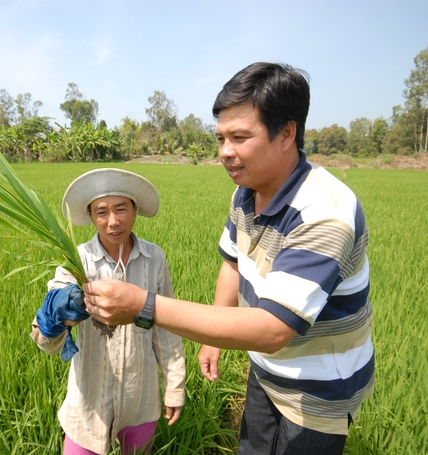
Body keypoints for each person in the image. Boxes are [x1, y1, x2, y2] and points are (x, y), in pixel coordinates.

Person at [82, 63, 374, 455]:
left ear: (286, 133)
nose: (224, 152)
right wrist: (213, 340)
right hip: (267, 369)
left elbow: (272, 329)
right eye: (220, 138)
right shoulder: (246, 192)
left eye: (239, 137)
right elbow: (233, 263)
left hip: (318, 390)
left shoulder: (324, 213)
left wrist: (141, 305)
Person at [30, 168, 186, 455]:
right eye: (101, 211)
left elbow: (165, 327)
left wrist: (174, 386)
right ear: (90, 216)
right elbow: (46, 342)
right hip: (89, 404)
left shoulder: (154, 258)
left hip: (140, 398)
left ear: (136, 209)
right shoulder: (76, 263)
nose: (113, 221)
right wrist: (58, 315)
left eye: (121, 209)